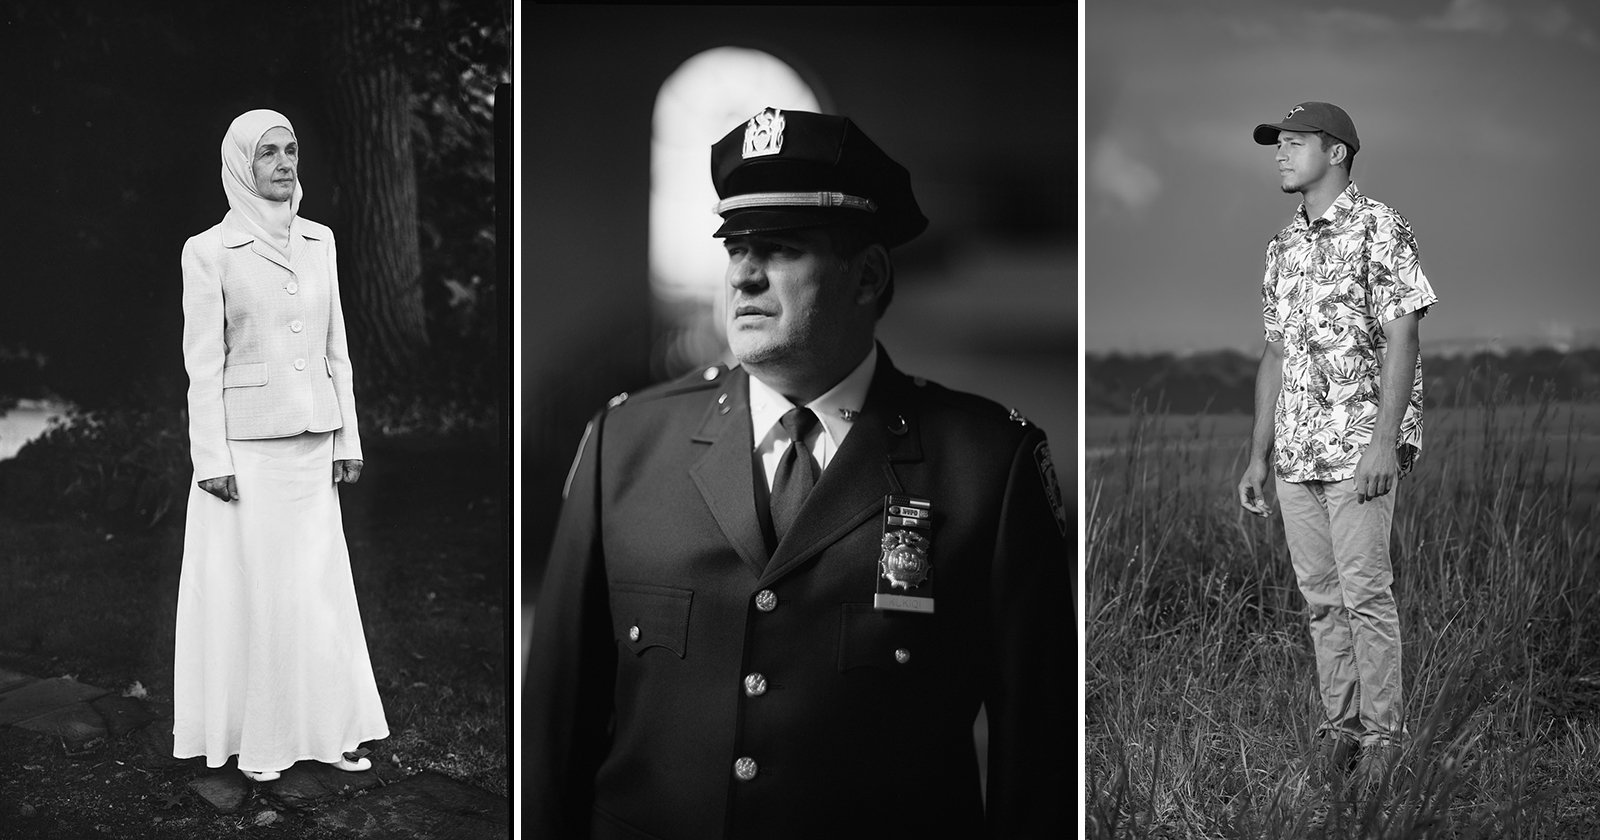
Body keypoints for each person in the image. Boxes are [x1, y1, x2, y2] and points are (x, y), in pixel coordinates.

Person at [526, 107, 1069, 838]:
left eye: (779, 249)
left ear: (868, 275)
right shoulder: (623, 445)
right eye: (735, 248)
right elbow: (556, 725)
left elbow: (1036, 757)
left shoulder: (988, 467)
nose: (744, 274)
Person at [173, 108, 389, 783]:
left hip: (311, 448)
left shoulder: (320, 240)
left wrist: (347, 436)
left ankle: (329, 735)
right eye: (268, 152)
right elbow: (203, 364)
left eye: (291, 149)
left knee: (320, 595)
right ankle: (261, 744)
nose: (284, 163)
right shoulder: (209, 250)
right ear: (242, 163)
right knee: (260, 599)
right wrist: (212, 459)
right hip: (249, 456)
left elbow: (337, 352)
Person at [1237, 101, 1439, 790]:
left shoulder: (1380, 226)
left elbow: (1404, 339)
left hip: (1358, 448)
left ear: (1338, 152)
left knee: (1365, 597)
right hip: (1295, 453)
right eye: (1277, 145)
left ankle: (1384, 741)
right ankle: (1341, 731)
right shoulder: (1281, 246)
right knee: (1320, 600)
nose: (1281, 155)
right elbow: (1274, 353)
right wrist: (1258, 454)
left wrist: (1386, 443)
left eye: (1295, 143)